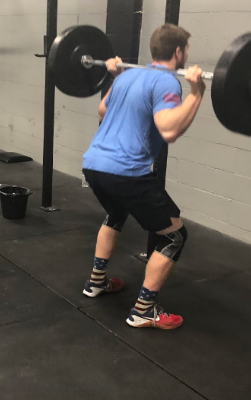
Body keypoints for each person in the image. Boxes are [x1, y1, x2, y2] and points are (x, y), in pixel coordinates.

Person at [80, 23, 206, 331]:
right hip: (127, 173)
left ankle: (95, 282)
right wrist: (197, 92)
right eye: (186, 51)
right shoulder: (166, 82)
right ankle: (143, 310)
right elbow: (169, 129)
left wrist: (114, 78)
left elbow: (101, 110)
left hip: (94, 164)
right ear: (178, 52)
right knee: (174, 236)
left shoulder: (127, 76)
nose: (187, 55)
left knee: (116, 212)